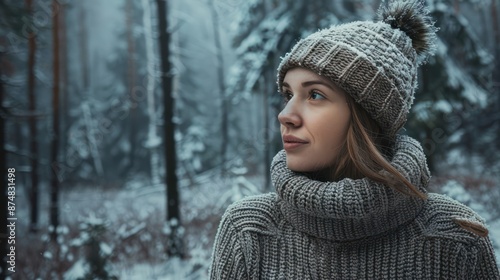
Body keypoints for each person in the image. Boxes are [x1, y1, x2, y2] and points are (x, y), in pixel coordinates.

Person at [209, 1, 500, 279]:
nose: (286, 115)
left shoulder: (457, 238)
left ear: (367, 114)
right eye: (288, 94)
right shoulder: (248, 231)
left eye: (315, 95)